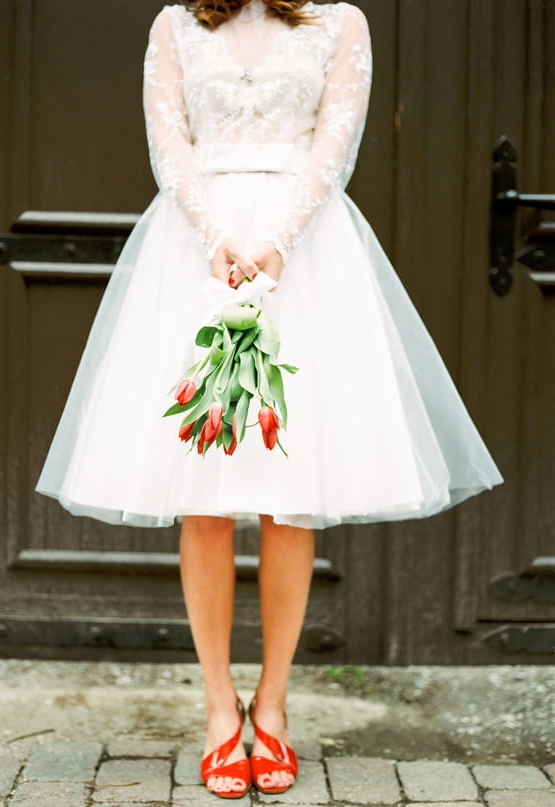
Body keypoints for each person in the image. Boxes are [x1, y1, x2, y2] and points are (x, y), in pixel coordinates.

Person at [35, 0, 504, 799]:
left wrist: (278, 242)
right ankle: (221, 709)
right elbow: (169, 141)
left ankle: (275, 705)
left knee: (293, 494)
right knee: (203, 496)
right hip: (191, 253)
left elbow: (335, 141)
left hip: (309, 252)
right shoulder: (175, 23)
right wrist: (211, 233)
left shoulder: (340, 21)